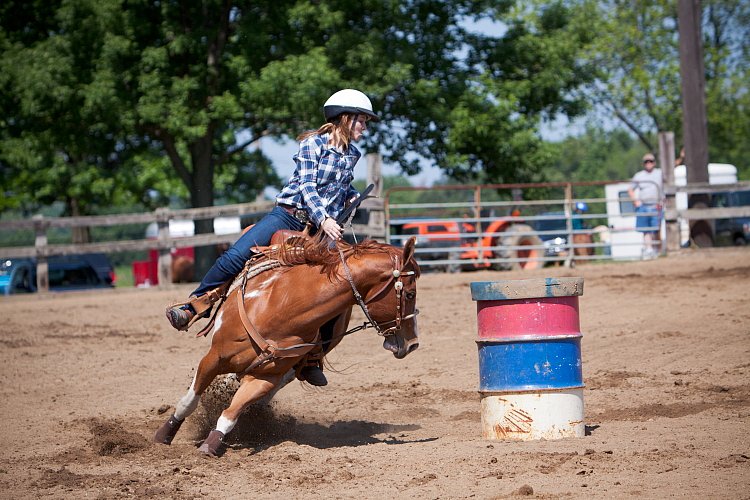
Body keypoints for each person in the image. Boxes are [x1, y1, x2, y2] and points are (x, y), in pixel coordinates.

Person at [165, 88, 379, 386]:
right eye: (362, 121)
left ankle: (312, 357)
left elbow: (339, 188)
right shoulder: (311, 145)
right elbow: (307, 187)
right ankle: (193, 307)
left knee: (338, 289)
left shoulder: (352, 155)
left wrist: (353, 197)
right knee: (236, 255)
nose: (365, 127)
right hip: (290, 216)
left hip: (321, 230)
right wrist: (325, 219)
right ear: (345, 118)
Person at [628, 152, 663, 259]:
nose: (649, 163)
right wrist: (635, 201)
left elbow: (673, 166)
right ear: (643, 163)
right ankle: (649, 249)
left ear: (654, 163)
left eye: (651, 161)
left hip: (656, 205)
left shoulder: (659, 173)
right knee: (645, 230)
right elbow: (630, 189)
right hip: (643, 206)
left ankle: (657, 249)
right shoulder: (639, 175)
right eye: (646, 161)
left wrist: (681, 157)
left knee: (656, 229)